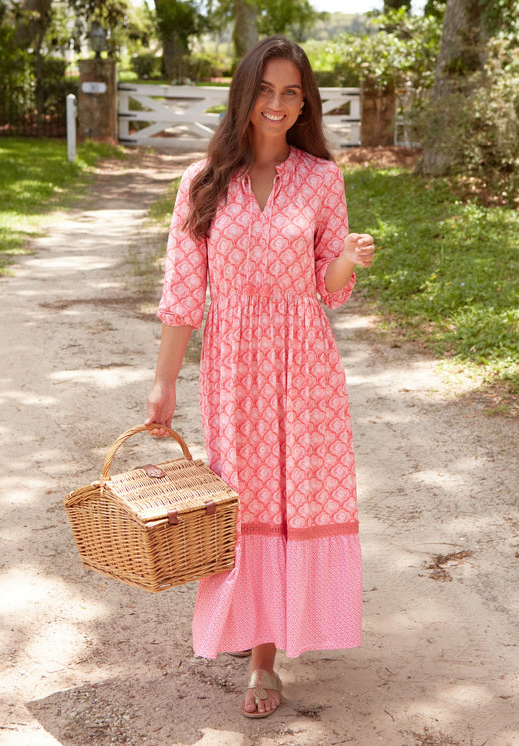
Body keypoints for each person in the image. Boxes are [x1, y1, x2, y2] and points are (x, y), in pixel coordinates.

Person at [146, 35, 375, 719]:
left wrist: (349, 261)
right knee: (247, 501)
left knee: (297, 497)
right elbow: (183, 293)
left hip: (304, 358)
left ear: (304, 102)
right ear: (244, 95)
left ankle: (271, 656)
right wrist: (163, 384)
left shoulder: (320, 178)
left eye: (291, 93)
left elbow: (326, 287)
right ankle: (255, 652)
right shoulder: (204, 179)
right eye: (266, 90)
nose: (277, 105)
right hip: (234, 361)